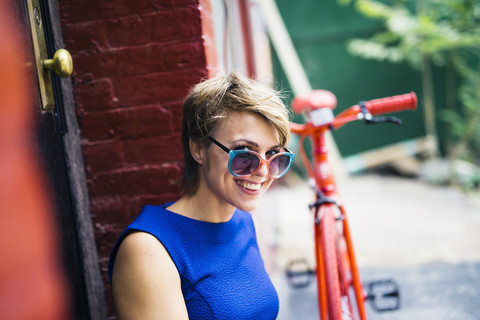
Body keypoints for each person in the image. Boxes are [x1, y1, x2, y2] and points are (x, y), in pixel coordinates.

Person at [108, 72, 294, 319]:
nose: (262, 171)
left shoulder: (247, 223)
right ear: (198, 149)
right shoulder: (148, 249)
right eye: (244, 153)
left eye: (273, 155)